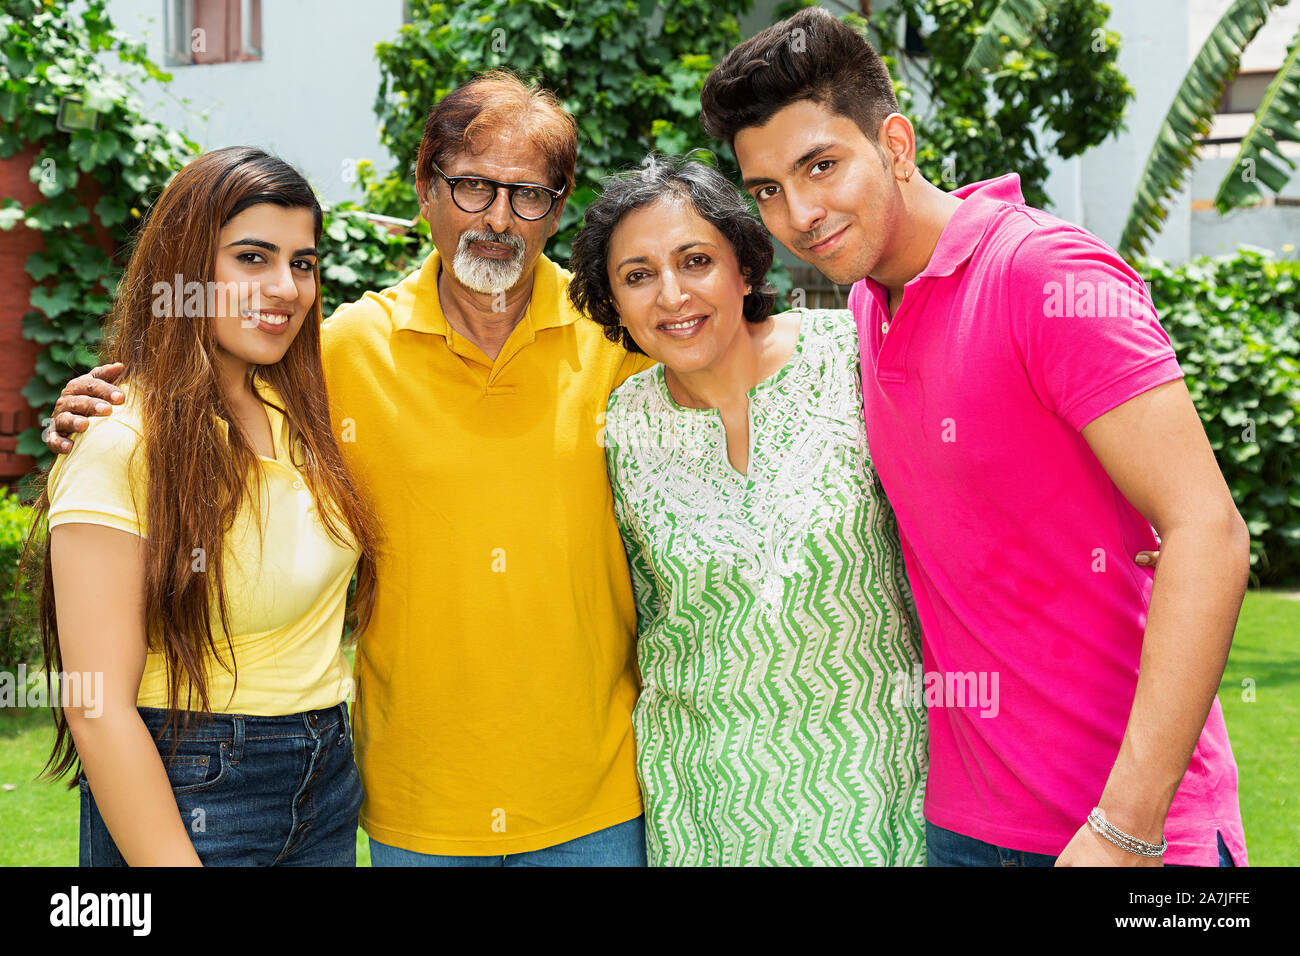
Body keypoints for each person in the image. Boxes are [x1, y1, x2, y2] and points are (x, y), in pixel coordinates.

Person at [44, 72, 657, 866]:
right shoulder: (336, 357)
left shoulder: (626, 340)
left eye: (529, 194)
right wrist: (96, 415)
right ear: (426, 187)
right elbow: (179, 401)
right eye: (472, 186)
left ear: (560, 207)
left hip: (594, 798)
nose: (499, 218)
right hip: (410, 805)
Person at [698, 7, 1249, 866]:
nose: (799, 213)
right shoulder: (865, 309)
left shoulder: (1044, 275)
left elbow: (1208, 533)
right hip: (963, 824)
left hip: (1132, 830)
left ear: (896, 142)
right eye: (767, 189)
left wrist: (1127, 829)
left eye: (822, 165)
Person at [568, 155, 928, 865]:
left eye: (694, 260)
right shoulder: (622, 427)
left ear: (744, 265)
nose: (671, 295)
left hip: (885, 791)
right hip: (706, 805)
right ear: (613, 301)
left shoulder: (852, 356)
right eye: (637, 276)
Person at [29, 146, 381, 866]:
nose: (284, 287)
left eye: (303, 262)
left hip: (325, 778)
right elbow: (95, 708)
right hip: (192, 785)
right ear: (184, 270)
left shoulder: (304, 412)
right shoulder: (121, 441)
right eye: (252, 257)